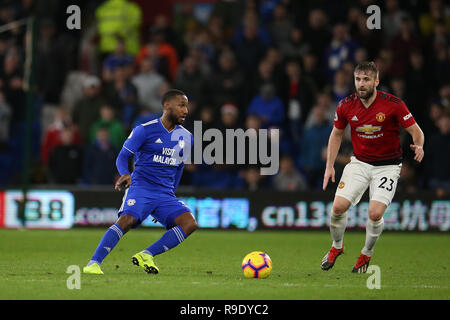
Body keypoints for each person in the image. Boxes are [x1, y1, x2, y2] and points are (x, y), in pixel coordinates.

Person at [321, 62, 424, 273]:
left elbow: (416, 130)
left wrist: (419, 144)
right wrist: (329, 166)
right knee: (338, 207)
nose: (361, 84)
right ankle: (337, 247)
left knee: (375, 213)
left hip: (388, 166)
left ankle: (366, 253)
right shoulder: (346, 105)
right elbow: (336, 134)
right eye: (358, 79)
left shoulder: (393, 104)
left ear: (376, 81)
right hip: (359, 163)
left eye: (366, 79)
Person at [83, 89, 196, 275]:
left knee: (189, 223)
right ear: (167, 105)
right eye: (181, 105)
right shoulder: (145, 130)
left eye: (187, 106)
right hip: (141, 187)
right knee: (126, 221)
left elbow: (179, 167)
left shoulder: (186, 137)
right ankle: (94, 263)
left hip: (165, 194)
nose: (186, 110)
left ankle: (147, 254)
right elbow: (123, 156)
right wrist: (125, 173)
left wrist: (171, 193)